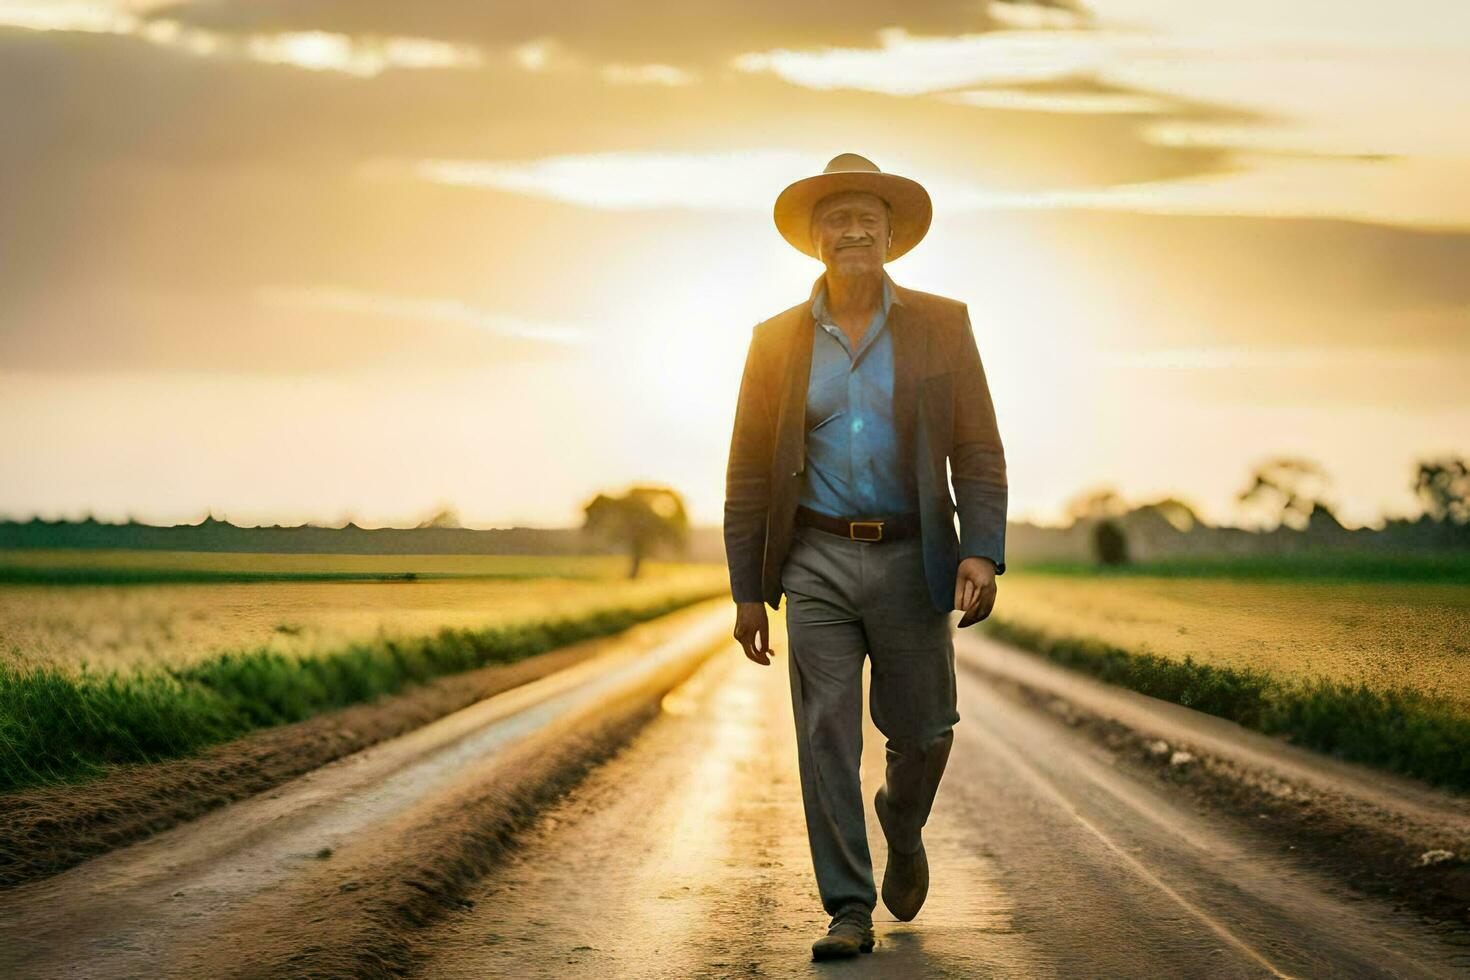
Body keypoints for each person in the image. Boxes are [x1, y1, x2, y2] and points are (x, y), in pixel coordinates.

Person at [722, 152, 1008, 961]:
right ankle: (848, 907)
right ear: (816, 240)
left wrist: (981, 551)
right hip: (812, 559)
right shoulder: (773, 341)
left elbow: (978, 449)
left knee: (925, 734)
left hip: (913, 558)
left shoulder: (941, 324)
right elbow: (746, 469)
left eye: (866, 220)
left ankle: (903, 822)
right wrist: (749, 589)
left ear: (889, 236)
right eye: (837, 221)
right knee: (824, 735)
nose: (852, 231)